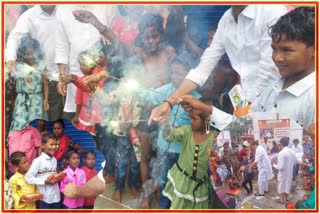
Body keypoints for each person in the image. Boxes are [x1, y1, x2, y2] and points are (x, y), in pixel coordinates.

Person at [148, 5, 288, 124]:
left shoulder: (272, 11)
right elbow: (205, 65)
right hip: (246, 105)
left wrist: (245, 120)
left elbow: (268, 70)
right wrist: (169, 103)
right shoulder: (227, 19)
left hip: (274, 104)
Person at [250, 6, 315, 128]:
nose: (277, 58)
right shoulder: (272, 89)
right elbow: (248, 123)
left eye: (287, 50)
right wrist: (209, 112)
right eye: (274, 49)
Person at [55, 5, 119, 120]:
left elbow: (118, 31)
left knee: (105, 117)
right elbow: (61, 46)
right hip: (75, 74)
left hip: (105, 73)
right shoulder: (62, 8)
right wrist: (62, 75)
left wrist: (108, 34)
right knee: (77, 121)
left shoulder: (109, 5)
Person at [5, 5, 63, 121]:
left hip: (71, 76)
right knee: (52, 121)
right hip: (48, 76)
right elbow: (15, 36)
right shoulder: (30, 15)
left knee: (71, 120)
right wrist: (11, 58)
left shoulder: (66, 10)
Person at [161, 110, 219, 209]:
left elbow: (216, 157)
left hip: (200, 186)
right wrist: (166, 124)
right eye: (190, 117)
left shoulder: (214, 137)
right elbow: (170, 136)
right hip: (183, 181)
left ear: (206, 121)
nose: (190, 121)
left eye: (194, 118)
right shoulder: (187, 131)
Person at [9, 37, 49, 134]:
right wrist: (13, 102)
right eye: (26, 54)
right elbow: (14, 87)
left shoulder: (42, 66)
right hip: (21, 100)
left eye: (31, 54)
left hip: (37, 100)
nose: (29, 56)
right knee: (19, 123)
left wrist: (46, 100)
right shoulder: (17, 67)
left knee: (36, 124)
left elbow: (45, 83)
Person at [25, 133, 61, 209]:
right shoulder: (38, 161)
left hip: (55, 196)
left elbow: (51, 175)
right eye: (51, 144)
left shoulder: (54, 160)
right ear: (43, 145)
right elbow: (28, 178)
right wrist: (45, 181)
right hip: (44, 199)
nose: (54, 147)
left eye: (56, 144)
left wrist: (57, 176)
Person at [273, 137, 297, 204]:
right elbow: (295, 161)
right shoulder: (292, 151)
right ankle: (286, 198)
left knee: (282, 186)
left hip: (283, 173)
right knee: (287, 185)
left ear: (280, 144)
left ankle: (282, 200)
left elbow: (281, 167)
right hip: (289, 172)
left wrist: (274, 165)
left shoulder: (282, 153)